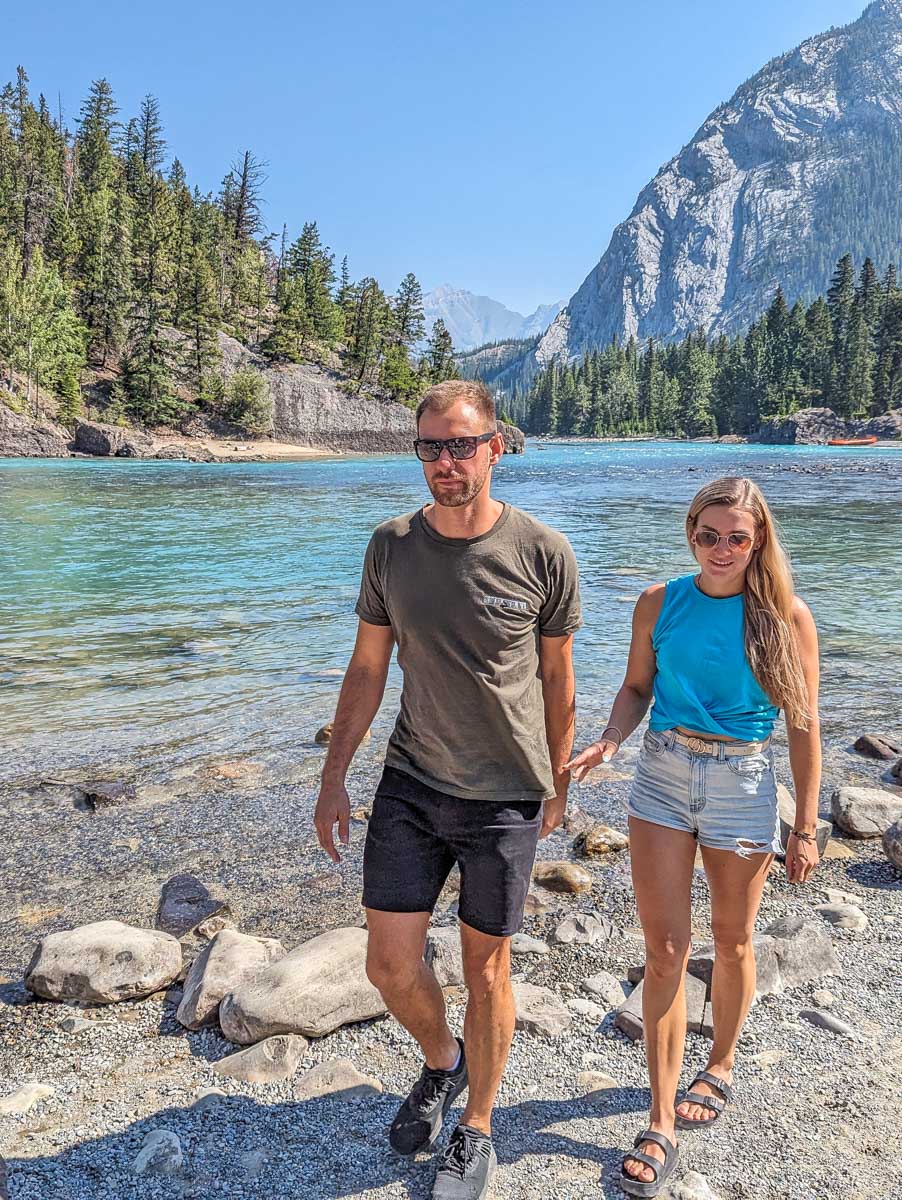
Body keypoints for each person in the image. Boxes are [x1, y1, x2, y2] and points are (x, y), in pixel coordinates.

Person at [314, 380, 581, 1200]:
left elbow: (558, 680)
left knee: (488, 971)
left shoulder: (543, 552)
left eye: (461, 445)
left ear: (497, 447)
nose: (444, 462)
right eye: (429, 447)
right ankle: (444, 1062)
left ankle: (480, 1126)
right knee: (390, 967)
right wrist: (334, 777)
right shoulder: (390, 546)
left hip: (505, 794)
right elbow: (368, 668)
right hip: (411, 781)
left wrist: (558, 783)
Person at [564, 476, 821, 1198]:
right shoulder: (659, 602)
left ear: (759, 539)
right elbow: (637, 688)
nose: (721, 549)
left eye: (737, 537)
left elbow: (804, 726)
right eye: (707, 535)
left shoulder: (785, 617)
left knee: (733, 940)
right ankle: (659, 1117)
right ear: (690, 533)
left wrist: (804, 825)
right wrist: (610, 739)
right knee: (665, 948)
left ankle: (723, 1064)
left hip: (743, 785)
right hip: (663, 776)